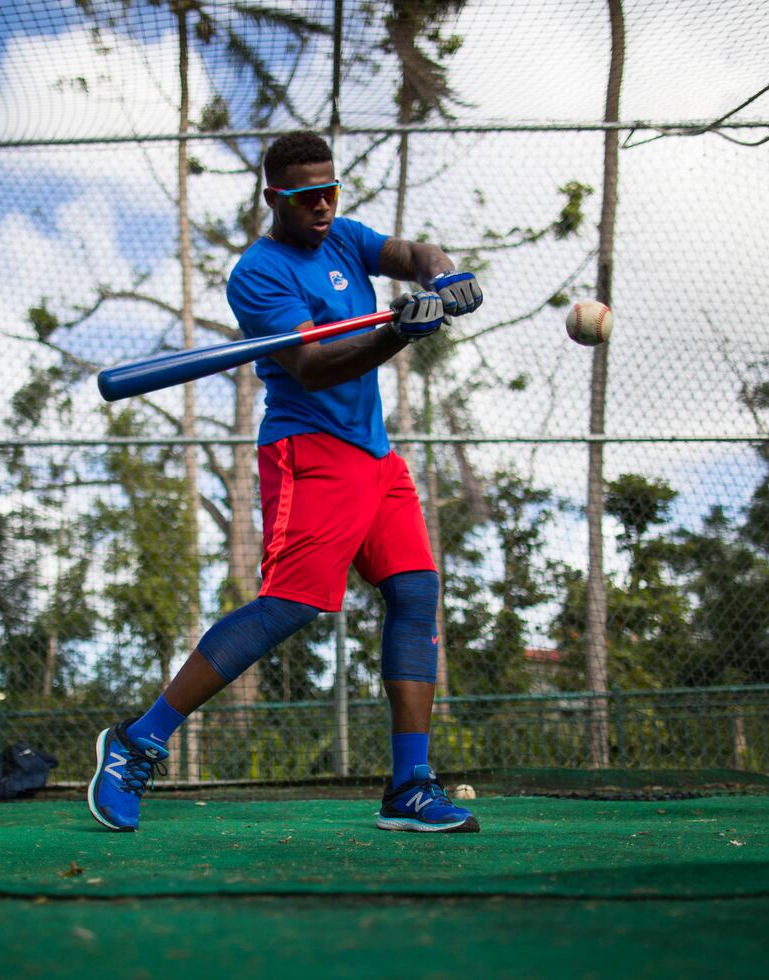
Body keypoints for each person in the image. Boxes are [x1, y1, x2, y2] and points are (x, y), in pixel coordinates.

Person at [89, 130, 483, 834]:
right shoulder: (259, 273)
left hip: (374, 452)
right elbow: (316, 366)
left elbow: (414, 254)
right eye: (307, 197)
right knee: (291, 605)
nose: (325, 205)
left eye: (332, 190)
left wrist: (442, 276)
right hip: (311, 450)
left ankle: (409, 785)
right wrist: (399, 333)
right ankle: (135, 741)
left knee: (415, 589)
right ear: (275, 198)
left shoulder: (343, 235)